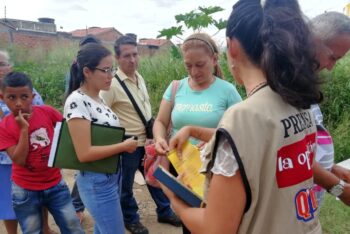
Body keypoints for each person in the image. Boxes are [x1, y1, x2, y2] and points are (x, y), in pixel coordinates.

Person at [160, 0, 324, 233]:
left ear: (232, 47)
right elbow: (256, 145)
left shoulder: (242, 116)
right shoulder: (299, 101)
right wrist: (194, 130)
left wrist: (174, 196)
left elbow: (215, 229)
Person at [152, 32, 242, 234]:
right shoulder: (176, 87)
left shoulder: (227, 91)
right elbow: (160, 121)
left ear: (214, 59)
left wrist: (206, 136)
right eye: (188, 65)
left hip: (215, 172)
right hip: (182, 168)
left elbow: (239, 134)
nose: (194, 71)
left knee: (213, 224)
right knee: (188, 223)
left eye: (200, 65)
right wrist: (159, 138)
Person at [100, 35, 181, 234]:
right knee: (126, 186)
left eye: (135, 54)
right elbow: (102, 113)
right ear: (117, 58)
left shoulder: (139, 77)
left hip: (147, 142)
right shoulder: (112, 85)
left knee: (154, 178)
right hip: (127, 145)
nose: (133, 60)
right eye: (127, 56)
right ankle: (131, 219)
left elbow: (143, 108)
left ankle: (164, 210)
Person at [64, 43, 138, 234]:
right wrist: (123, 146)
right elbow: (84, 153)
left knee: (103, 229)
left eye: (111, 69)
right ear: (87, 71)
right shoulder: (76, 101)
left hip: (112, 175)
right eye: (105, 70)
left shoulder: (99, 99)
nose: (110, 75)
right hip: (96, 181)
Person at [0, 72, 84, 234]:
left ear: (33, 96)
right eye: (11, 98)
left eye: (24, 97)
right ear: (2, 98)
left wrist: (65, 156)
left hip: (55, 184)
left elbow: (69, 132)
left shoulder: (47, 112)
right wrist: (24, 130)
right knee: (32, 231)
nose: (18, 103)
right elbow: (18, 161)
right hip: (24, 190)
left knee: (73, 226)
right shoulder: (4, 127)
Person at [0, 50, 51, 234]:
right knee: (7, 201)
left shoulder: (28, 90)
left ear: (10, 67)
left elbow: (41, 115)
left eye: (2, 64)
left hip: (34, 152)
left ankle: (45, 228)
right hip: (4, 160)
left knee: (40, 193)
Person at [309, 12, 350, 206]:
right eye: (332, 57)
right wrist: (338, 188)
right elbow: (289, 155)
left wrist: (331, 168)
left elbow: (304, 144)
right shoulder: (285, 88)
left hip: (308, 206)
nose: (331, 67)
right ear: (313, 40)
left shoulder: (305, 87)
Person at [66, 34, 103, 223]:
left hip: (90, 119)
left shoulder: (81, 68)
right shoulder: (77, 71)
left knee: (84, 167)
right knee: (84, 165)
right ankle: (77, 207)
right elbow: (71, 95)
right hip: (83, 120)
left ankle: (77, 207)